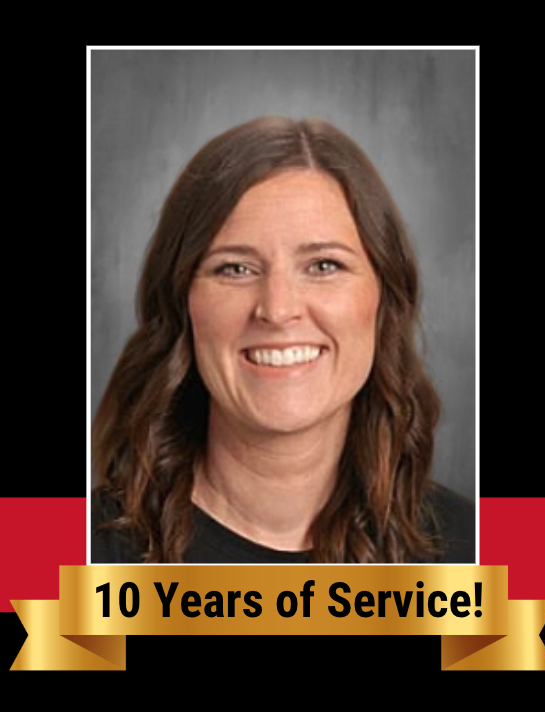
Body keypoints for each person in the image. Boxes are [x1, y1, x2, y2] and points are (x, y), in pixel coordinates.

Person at [91, 117, 474, 563]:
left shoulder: (498, 558)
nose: (277, 309)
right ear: (183, 305)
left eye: (323, 266)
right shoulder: (49, 557)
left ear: (383, 299)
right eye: (235, 268)